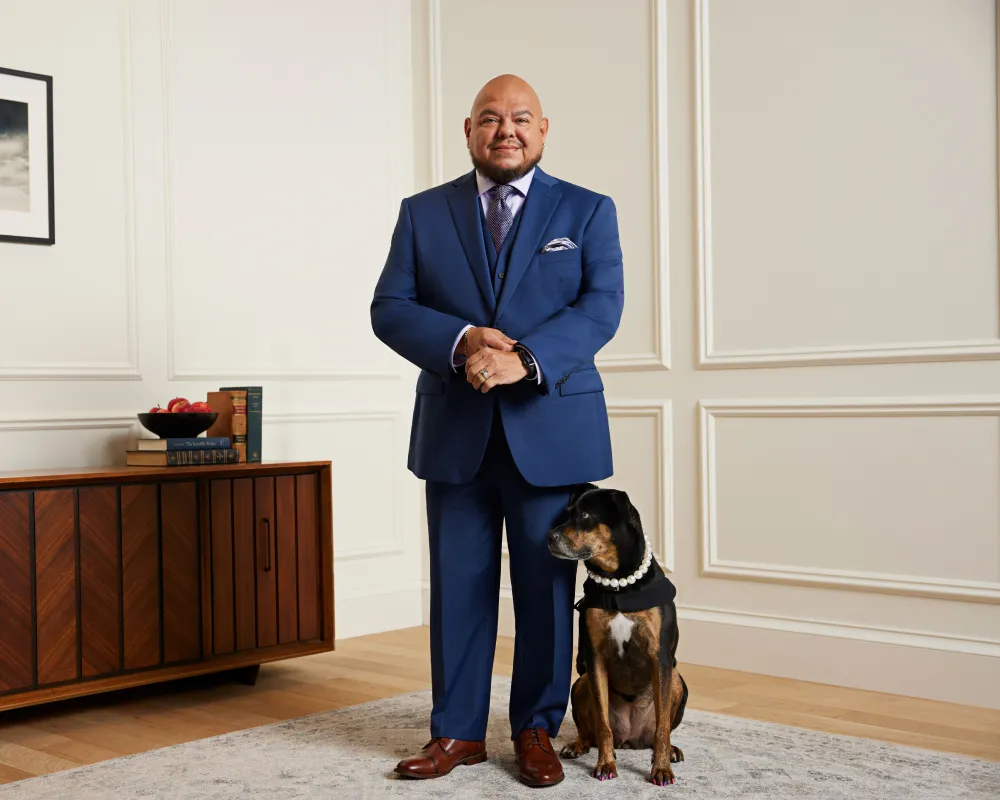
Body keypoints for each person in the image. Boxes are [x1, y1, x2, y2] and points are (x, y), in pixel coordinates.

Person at [370, 73, 624, 788]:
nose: (504, 130)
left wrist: (525, 360)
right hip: (456, 431)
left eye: (519, 118)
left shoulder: (588, 210)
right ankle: (455, 734)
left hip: (551, 430)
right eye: (490, 118)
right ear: (468, 131)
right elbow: (390, 307)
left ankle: (536, 729)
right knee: (457, 586)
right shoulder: (422, 214)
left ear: (544, 129)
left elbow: (602, 307)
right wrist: (463, 340)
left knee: (546, 588)